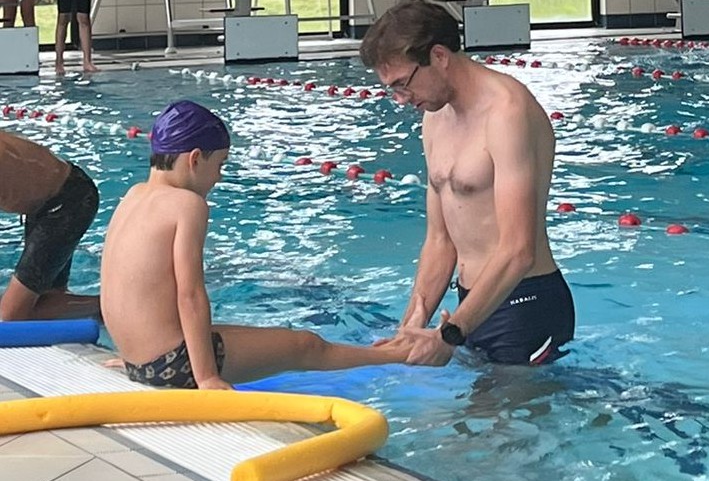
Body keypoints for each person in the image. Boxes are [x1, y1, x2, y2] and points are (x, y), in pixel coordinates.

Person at [100, 100, 408, 390]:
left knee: (256, 336)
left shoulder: (134, 196)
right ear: (195, 159)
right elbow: (190, 295)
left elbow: (118, 288)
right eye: (220, 164)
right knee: (305, 346)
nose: (218, 178)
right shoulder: (187, 204)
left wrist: (135, 357)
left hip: (138, 359)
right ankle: (399, 355)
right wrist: (206, 377)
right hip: (171, 365)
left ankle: (388, 351)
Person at [359, 0, 575, 367]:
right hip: (472, 306)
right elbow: (441, 240)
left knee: (503, 425)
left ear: (439, 57)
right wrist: (413, 322)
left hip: (525, 305)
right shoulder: (434, 116)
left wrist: (451, 333)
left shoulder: (507, 113)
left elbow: (518, 250)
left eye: (402, 84)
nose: (400, 99)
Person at [0, 130, 101, 321]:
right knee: (47, 298)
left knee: (11, 316)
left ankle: (112, 308)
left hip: (66, 204)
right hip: (51, 197)